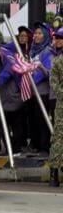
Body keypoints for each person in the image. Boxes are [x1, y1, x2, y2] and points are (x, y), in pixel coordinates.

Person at [30, 25, 56, 154]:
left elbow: (48, 74)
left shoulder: (47, 52)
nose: (36, 36)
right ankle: (37, 145)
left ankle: (44, 147)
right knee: (35, 120)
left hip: (44, 93)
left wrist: (32, 80)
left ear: (45, 35)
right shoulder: (33, 50)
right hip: (34, 92)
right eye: (35, 33)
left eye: (39, 33)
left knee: (43, 120)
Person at [49, 30, 63, 187]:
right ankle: (54, 172)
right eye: (56, 38)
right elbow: (54, 82)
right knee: (58, 137)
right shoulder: (57, 61)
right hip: (61, 104)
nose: (58, 41)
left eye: (60, 38)